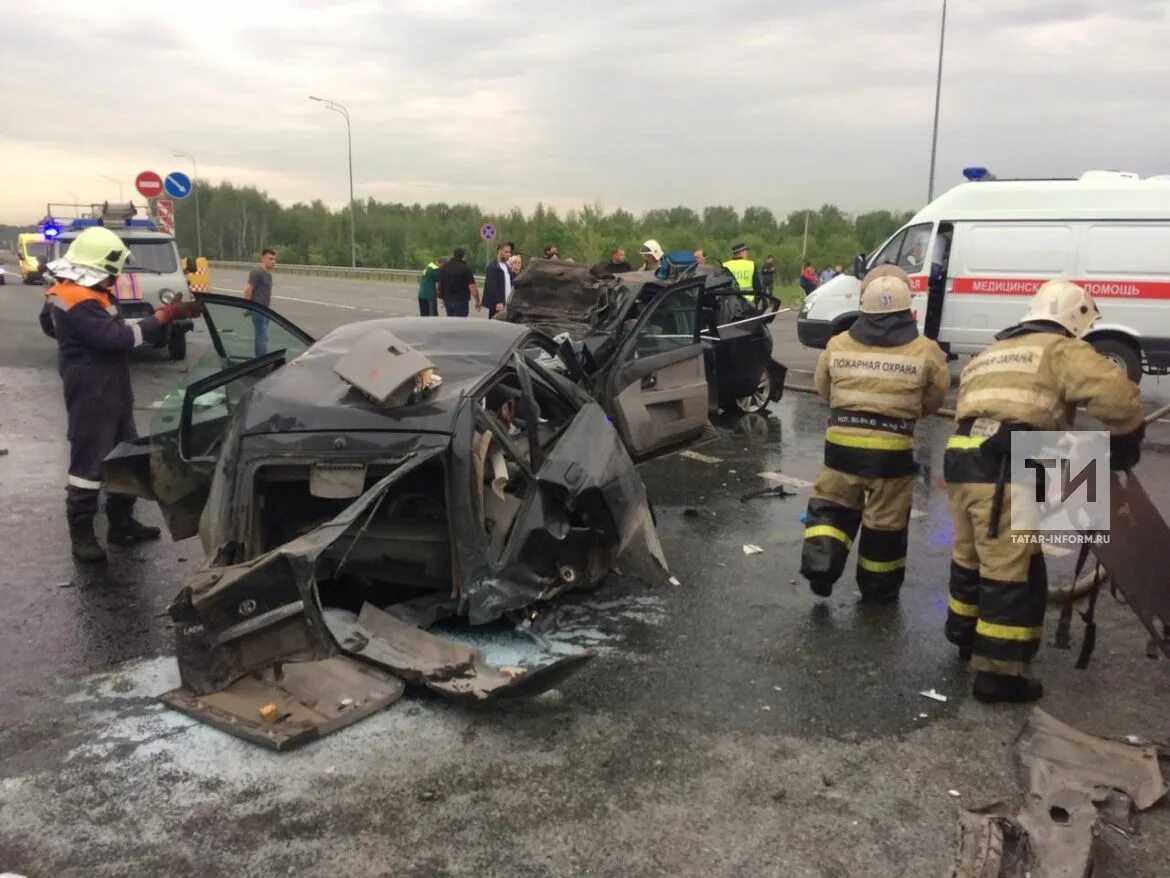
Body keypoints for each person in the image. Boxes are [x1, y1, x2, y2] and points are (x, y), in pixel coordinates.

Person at [943, 280, 1144, 704]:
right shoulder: (1061, 349)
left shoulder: (994, 350)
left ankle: (966, 639)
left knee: (971, 555)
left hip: (963, 457)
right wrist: (1126, 444)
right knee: (1008, 570)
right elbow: (1117, 400)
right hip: (1006, 464)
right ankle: (997, 676)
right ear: (1076, 319)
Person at [38, 227, 202, 562]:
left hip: (109, 384)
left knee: (125, 451)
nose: (115, 280)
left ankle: (121, 522)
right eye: (112, 273)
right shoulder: (79, 299)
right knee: (89, 461)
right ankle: (82, 532)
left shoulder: (76, 293)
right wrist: (163, 316)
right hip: (91, 388)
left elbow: (52, 325)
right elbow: (118, 340)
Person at [800, 265, 950, 603]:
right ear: (907, 308)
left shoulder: (838, 343)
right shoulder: (926, 350)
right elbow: (934, 398)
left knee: (832, 509)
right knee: (885, 524)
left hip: (840, 449)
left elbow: (823, 389)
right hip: (892, 454)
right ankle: (877, 590)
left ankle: (821, 571)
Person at [243, 248, 276, 356]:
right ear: (262, 258)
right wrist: (248, 307)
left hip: (265, 310)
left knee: (263, 336)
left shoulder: (268, 274)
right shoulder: (257, 272)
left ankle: (261, 358)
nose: (273, 261)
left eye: (274, 259)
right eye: (270, 259)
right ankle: (261, 362)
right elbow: (248, 289)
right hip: (258, 309)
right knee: (262, 336)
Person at [437, 247, 480, 317]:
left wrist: (440, 297)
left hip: (448, 300)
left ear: (453, 255)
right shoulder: (465, 268)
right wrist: (477, 301)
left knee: (451, 321)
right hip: (461, 300)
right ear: (463, 256)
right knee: (461, 323)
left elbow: (440, 283)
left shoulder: (444, 267)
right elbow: (472, 286)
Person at [483, 241, 514, 319]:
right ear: (499, 251)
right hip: (498, 305)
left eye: (509, 252)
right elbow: (492, 286)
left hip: (507, 303)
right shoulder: (493, 266)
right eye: (506, 252)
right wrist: (498, 302)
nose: (508, 254)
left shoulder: (507, 267)